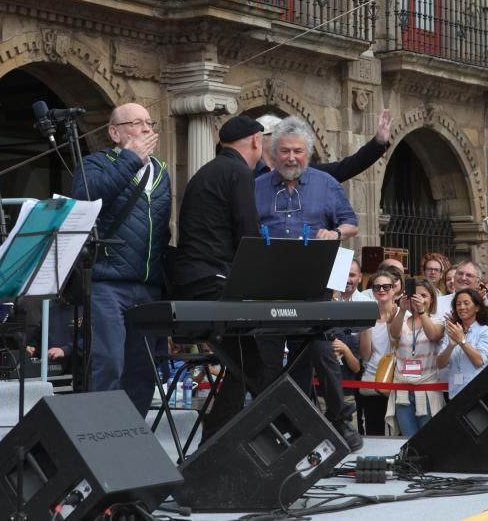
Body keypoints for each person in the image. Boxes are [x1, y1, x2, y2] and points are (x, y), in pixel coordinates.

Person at [254, 116, 361, 449]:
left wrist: (335, 233)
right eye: (284, 151)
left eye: (297, 152)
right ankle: (269, 426)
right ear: (274, 153)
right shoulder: (256, 186)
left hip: (311, 283)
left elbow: (351, 223)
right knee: (267, 358)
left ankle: (339, 419)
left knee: (319, 348)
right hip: (267, 284)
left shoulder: (325, 183)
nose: (291, 158)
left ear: (308, 154)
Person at [72, 102, 170, 417]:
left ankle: (131, 437)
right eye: (135, 123)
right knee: (108, 362)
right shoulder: (96, 164)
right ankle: (100, 435)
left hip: (148, 286)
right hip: (106, 282)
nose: (145, 129)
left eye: (148, 123)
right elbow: (88, 198)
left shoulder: (162, 171)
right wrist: (130, 158)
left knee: (143, 371)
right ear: (115, 132)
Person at [169, 115, 264, 438]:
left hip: (197, 281)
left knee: (244, 365)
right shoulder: (237, 172)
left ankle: (215, 439)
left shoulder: (207, 172)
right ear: (256, 140)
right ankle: (218, 441)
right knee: (255, 367)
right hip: (215, 284)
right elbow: (248, 234)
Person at [255, 110, 392, 182]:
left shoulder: (306, 171)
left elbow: (346, 168)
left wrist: (378, 143)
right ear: (260, 138)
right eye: (276, 133)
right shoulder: (247, 174)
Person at [386, 278, 444, 436]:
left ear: (431, 299)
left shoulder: (438, 321)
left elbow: (433, 335)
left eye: (424, 296)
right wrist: (403, 310)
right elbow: (393, 334)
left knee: (429, 438)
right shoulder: (403, 319)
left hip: (427, 389)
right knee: (408, 438)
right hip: (403, 390)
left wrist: (421, 312)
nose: (419, 299)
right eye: (415, 296)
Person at [358, 270, 398, 436]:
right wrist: (367, 325)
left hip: (397, 380)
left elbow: (398, 346)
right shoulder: (368, 316)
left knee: (397, 431)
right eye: (376, 287)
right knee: (375, 431)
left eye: (386, 286)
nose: (381, 290)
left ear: (394, 289)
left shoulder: (403, 314)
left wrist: (392, 321)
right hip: (373, 379)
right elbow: (365, 355)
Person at [437, 288, 488, 399]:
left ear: (477, 307)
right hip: (454, 393)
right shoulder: (452, 331)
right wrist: (450, 346)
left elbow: (479, 361)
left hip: (477, 394)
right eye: (458, 304)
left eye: (466, 303)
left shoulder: (486, 331)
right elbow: (440, 364)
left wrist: (462, 341)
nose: (462, 307)